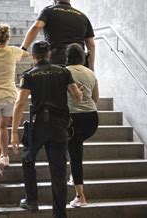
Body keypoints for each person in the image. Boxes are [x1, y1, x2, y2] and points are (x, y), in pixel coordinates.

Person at [11, 41, 83, 217]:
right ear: (49, 54)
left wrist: (13, 132)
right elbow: (77, 96)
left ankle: (32, 201)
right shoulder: (63, 71)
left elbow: (20, 102)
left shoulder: (29, 75)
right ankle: (59, 214)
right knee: (58, 173)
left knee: (28, 159)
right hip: (59, 127)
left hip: (39, 126)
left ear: (34, 57)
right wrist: (79, 92)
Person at [0, 23, 29, 180]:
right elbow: (25, 54)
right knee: (4, 127)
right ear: (8, 37)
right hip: (10, 96)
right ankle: (5, 156)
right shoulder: (13, 51)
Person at [20, 0, 96, 71]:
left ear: (54, 1)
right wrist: (91, 67)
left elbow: (37, 26)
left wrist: (23, 48)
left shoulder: (48, 11)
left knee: (56, 82)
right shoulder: (83, 16)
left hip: (57, 58)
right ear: (69, 1)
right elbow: (91, 45)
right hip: (79, 60)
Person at [65, 43, 99, 207]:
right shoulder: (90, 73)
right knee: (74, 147)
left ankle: (80, 196)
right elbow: (96, 98)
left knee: (75, 154)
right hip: (92, 120)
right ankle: (73, 175)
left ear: (67, 56)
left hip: (73, 119)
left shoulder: (65, 72)